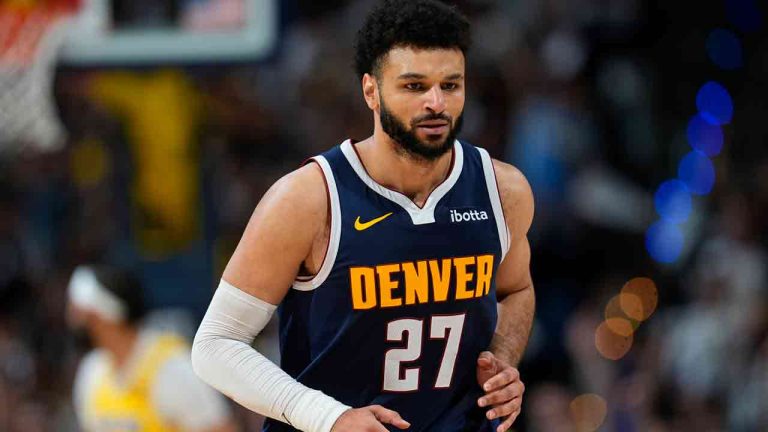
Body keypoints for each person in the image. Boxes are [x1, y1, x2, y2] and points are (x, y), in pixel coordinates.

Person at [191, 1, 535, 431]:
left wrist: (501, 362)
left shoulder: (503, 191)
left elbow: (517, 288)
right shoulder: (309, 199)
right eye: (414, 86)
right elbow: (215, 345)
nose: (436, 103)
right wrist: (328, 417)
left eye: (451, 85)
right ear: (370, 91)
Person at [67, 265, 237, 432]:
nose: (71, 318)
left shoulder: (172, 368)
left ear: (101, 315)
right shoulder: (92, 371)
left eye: (79, 311)